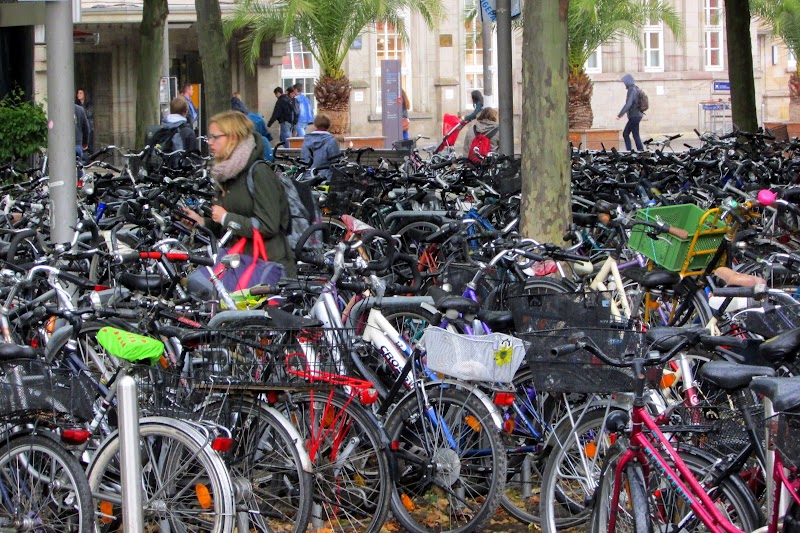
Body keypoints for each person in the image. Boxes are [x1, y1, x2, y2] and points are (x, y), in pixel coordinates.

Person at [182, 111, 296, 278]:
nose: (210, 143)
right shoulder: (227, 174)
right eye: (209, 138)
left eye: (215, 137)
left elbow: (268, 225)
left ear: (233, 138)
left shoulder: (259, 173)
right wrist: (200, 223)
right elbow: (226, 225)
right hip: (240, 265)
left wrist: (226, 218)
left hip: (266, 267)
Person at [299, 114, 341, 181]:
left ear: (315, 124)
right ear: (329, 125)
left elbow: (304, 159)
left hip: (308, 176)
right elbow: (336, 161)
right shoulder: (331, 141)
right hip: (326, 177)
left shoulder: (307, 140)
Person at [616, 73, 644, 152]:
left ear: (627, 82)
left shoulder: (631, 90)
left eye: (624, 82)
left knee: (625, 134)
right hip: (638, 115)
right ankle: (641, 151)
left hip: (634, 116)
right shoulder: (636, 88)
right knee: (635, 134)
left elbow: (628, 104)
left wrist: (620, 115)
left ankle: (629, 151)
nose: (624, 84)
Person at [75, 89, 94, 155]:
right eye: (78, 93)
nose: (78, 95)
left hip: (88, 126)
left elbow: (89, 113)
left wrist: (81, 111)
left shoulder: (88, 104)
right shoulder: (77, 105)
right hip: (79, 128)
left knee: (89, 144)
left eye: (80, 93)